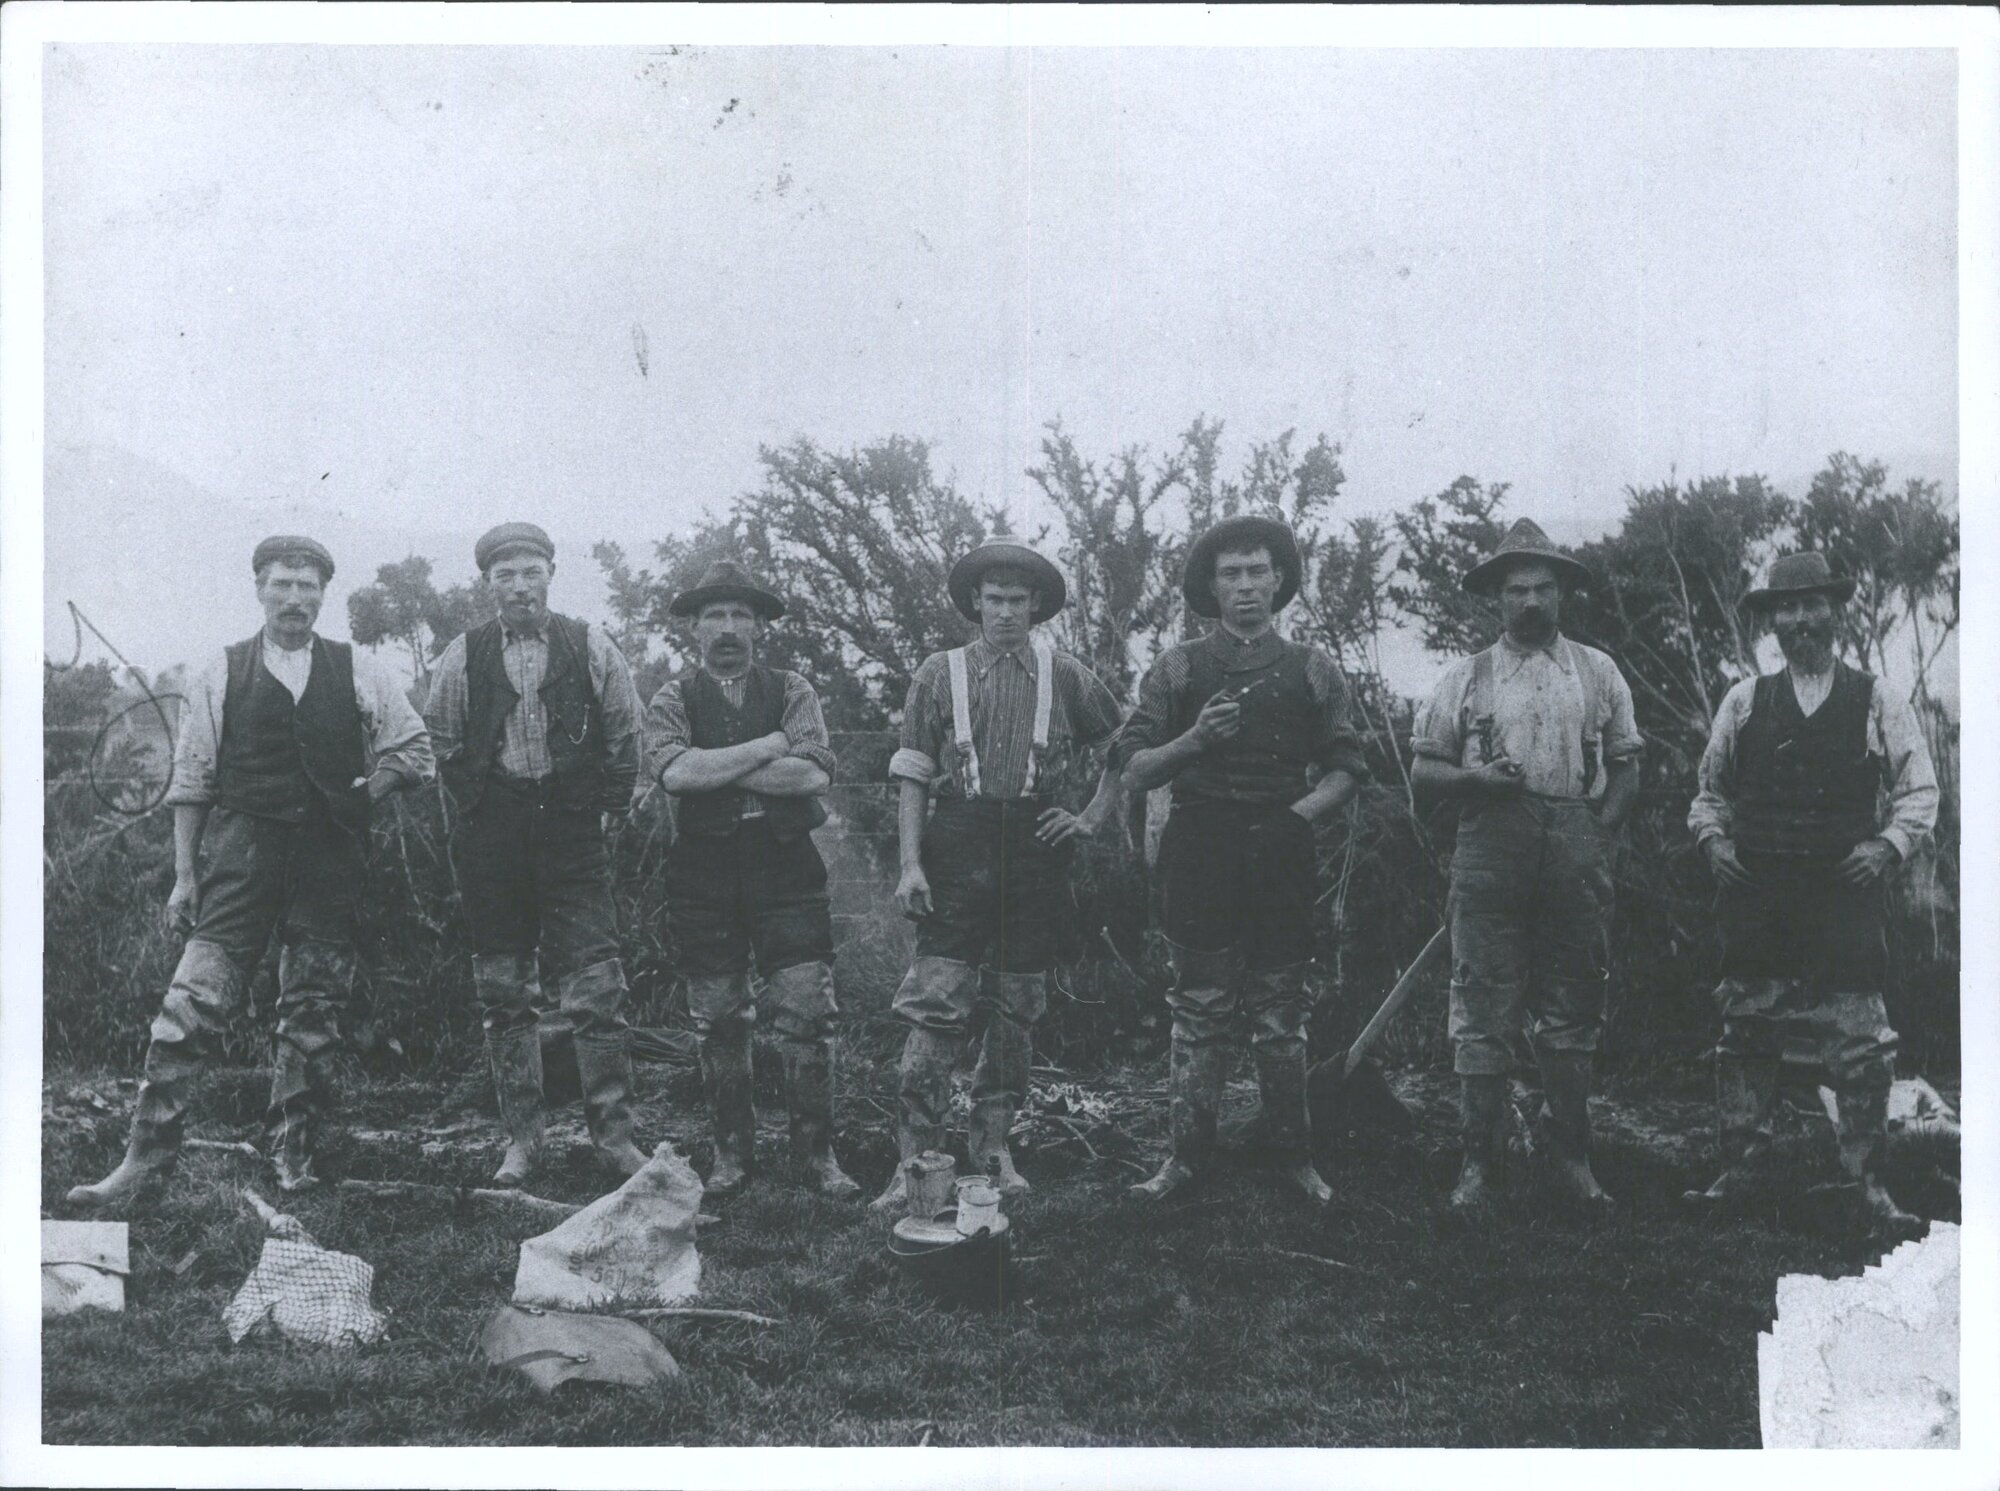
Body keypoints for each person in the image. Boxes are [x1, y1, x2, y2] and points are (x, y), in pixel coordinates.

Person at [68, 536, 434, 1208]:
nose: (294, 598)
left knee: (311, 1015)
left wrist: (367, 793)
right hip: (241, 860)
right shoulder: (222, 670)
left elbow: (414, 749)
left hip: (328, 864)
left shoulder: (359, 669)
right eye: (281, 584)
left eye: (307, 586)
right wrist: (185, 874)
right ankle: (145, 1164)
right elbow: (192, 778)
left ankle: (295, 1156)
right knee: (187, 1008)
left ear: (324, 594)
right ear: (260, 588)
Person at [1115, 513, 1368, 1208]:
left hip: (1282, 850)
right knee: (1199, 1009)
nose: (1247, 585)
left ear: (1280, 579)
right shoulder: (1179, 666)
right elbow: (1134, 765)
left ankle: (1296, 1158)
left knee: (1281, 1013)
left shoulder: (1312, 667)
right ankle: (1185, 1158)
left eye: (1258, 570)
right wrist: (1193, 740)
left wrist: (1297, 816)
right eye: (1232, 573)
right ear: (1211, 585)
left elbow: (1347, 767)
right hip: (1201, 850)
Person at [870, 536, 1126, 1210]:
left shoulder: (1063, 672)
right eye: (994, 600)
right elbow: (913, 774)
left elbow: (1122, 744)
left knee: (1018, 1004)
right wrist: (911, 863)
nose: (1005, 612)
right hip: (958, 840)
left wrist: (1090, 817)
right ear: (975, 605)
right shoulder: (939, 672)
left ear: (1036, 605)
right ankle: (915, 1157)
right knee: (936, 1001)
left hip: (1035, 843)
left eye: (1017, 600)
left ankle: (993, 1143)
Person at [1684, 551, 1937, 1231]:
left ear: (1835, 610)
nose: (1799, 621)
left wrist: (1886, 846)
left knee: (1859, 1042)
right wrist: (1716, 842)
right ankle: (1741, 1170)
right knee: (1747, 1031)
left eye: (1812, 606)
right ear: (1771, 620)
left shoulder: (1877, 697)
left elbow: (1919, 790)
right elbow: (1708, 793)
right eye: (1785, 609)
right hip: (1759, 897)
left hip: (1842, 898)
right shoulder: (1745, 699)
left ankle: (1867, 1183)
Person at [1410, 518, 1642, 1215]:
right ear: (1497, 598)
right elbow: (1424, 770)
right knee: (1481, 1004)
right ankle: (1479, 1162)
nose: (1532, 601)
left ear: (1563, 592)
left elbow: (1628, 762)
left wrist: (1598, 833)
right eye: (1517, 590)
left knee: (1573, 1004)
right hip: (1490, 848)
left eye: (1544, 587)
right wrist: (1475, 779)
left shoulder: (1598, 671)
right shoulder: (1466, 676)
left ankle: (1570, 1157)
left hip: (1575, 840)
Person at [424, 522, 648, 1187]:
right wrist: (474, 815)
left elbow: (625, 734)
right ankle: (523, 1138)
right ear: (487, 584)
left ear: (551, 572)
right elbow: (441, 741)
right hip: (494, 835)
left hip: (573, 830)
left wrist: (606, 810)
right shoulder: (462, 656)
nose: (519, 587)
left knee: (597, 985)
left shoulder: (591, 645)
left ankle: (614, 1136)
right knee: (503, 989)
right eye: (505, 576)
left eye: (530, 572)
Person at [645, 559, 858, 1200]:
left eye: (742, 615)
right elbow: (673, 774)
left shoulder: (793, 690)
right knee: (717, 1019)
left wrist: (715, 766)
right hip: (703, 871)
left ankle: (817, 1157)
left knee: (806, 1010)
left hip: (785, 862)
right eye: (715, 616)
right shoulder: (671, 698)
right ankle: (731, 1156)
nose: (729, 627)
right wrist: (768, 747)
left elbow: (813, 775)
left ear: (760, 627)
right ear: (694, 629)